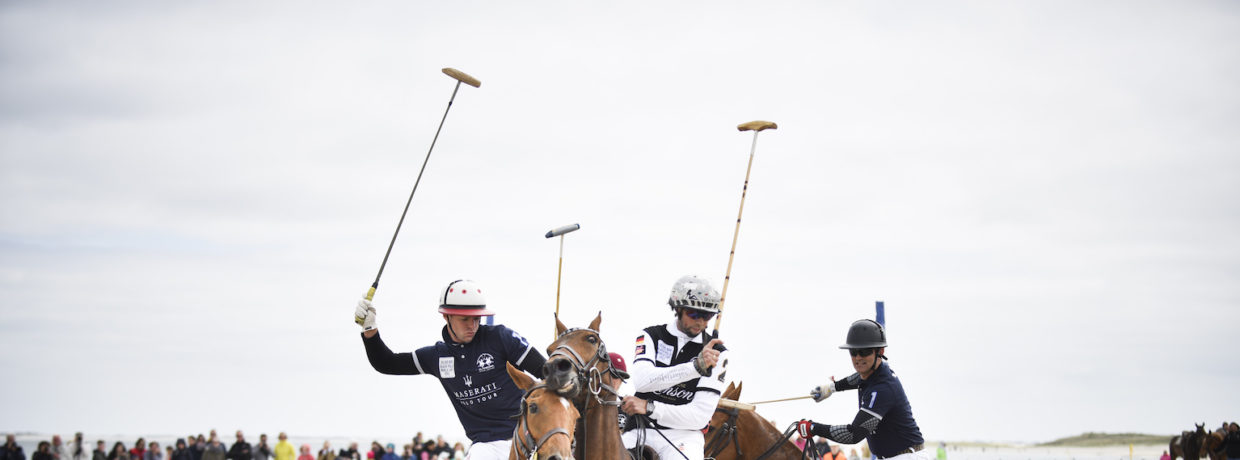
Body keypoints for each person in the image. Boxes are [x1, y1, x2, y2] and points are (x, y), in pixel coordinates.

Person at [355, 279, 549, 459]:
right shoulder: (437, 356)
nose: (472, 325)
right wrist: (369, 329)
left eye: (476, 319)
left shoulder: (501, 337)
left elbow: (546, 371)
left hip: (529, 436)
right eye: (465, 319)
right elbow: (386, 363)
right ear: (446, 316)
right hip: (485, 447)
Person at [619, 275, 730, 460]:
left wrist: (649, 407)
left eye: (708, 316)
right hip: (639, 429)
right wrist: (695, 368)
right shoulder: (650, 335)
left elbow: (699, 417)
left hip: (684, 437)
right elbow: (642, 382)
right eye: (694, 314)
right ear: (677, 308)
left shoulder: (718, 353)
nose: (701, 322)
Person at [796, 319, 927, 460]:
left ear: (880, 351)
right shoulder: (875, 373)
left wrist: (814, 428)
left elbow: (853, 434)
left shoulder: (883, 389)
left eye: (864, 351)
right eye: (853, 352)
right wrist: (831, 388)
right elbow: (858, 377)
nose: (858, 358)